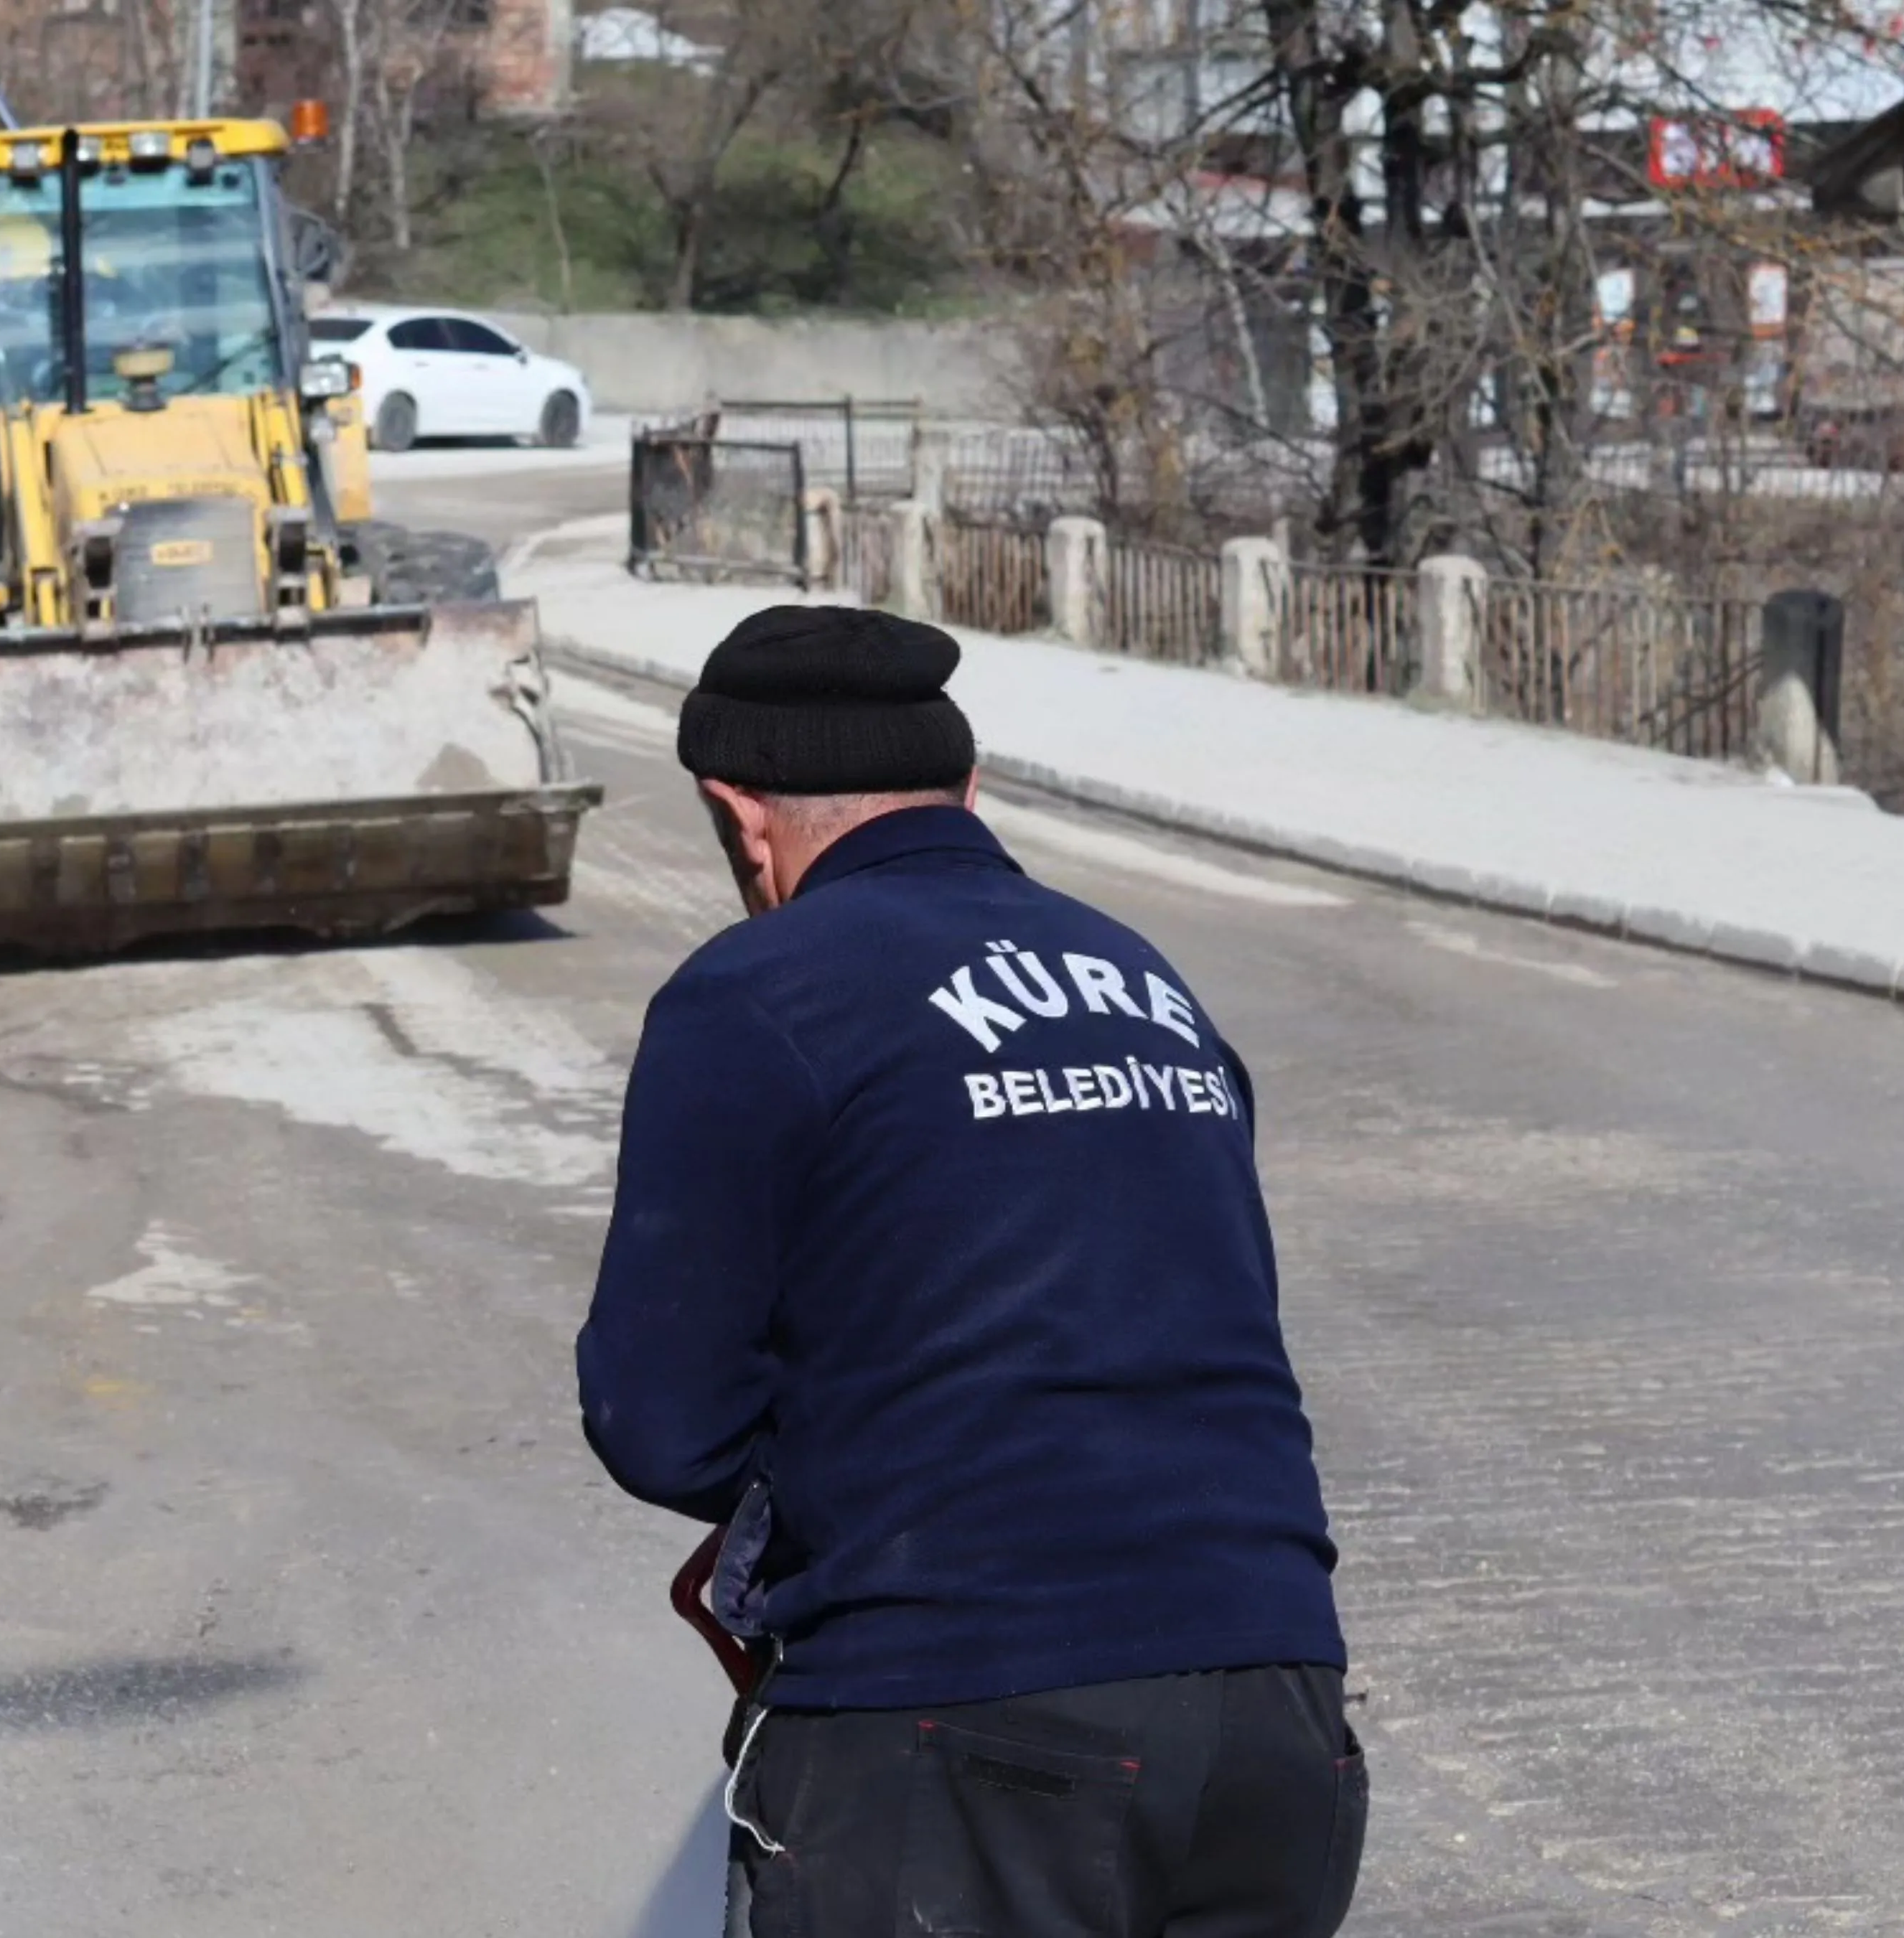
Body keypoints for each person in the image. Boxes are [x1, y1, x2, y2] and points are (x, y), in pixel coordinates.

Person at [575, 605, 1363, 1936]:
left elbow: (661, 1420)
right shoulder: (1144, 975)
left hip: (967, 1732)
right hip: (1279, 1724)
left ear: (739, 817)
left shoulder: (761, 989)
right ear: (970, 790)